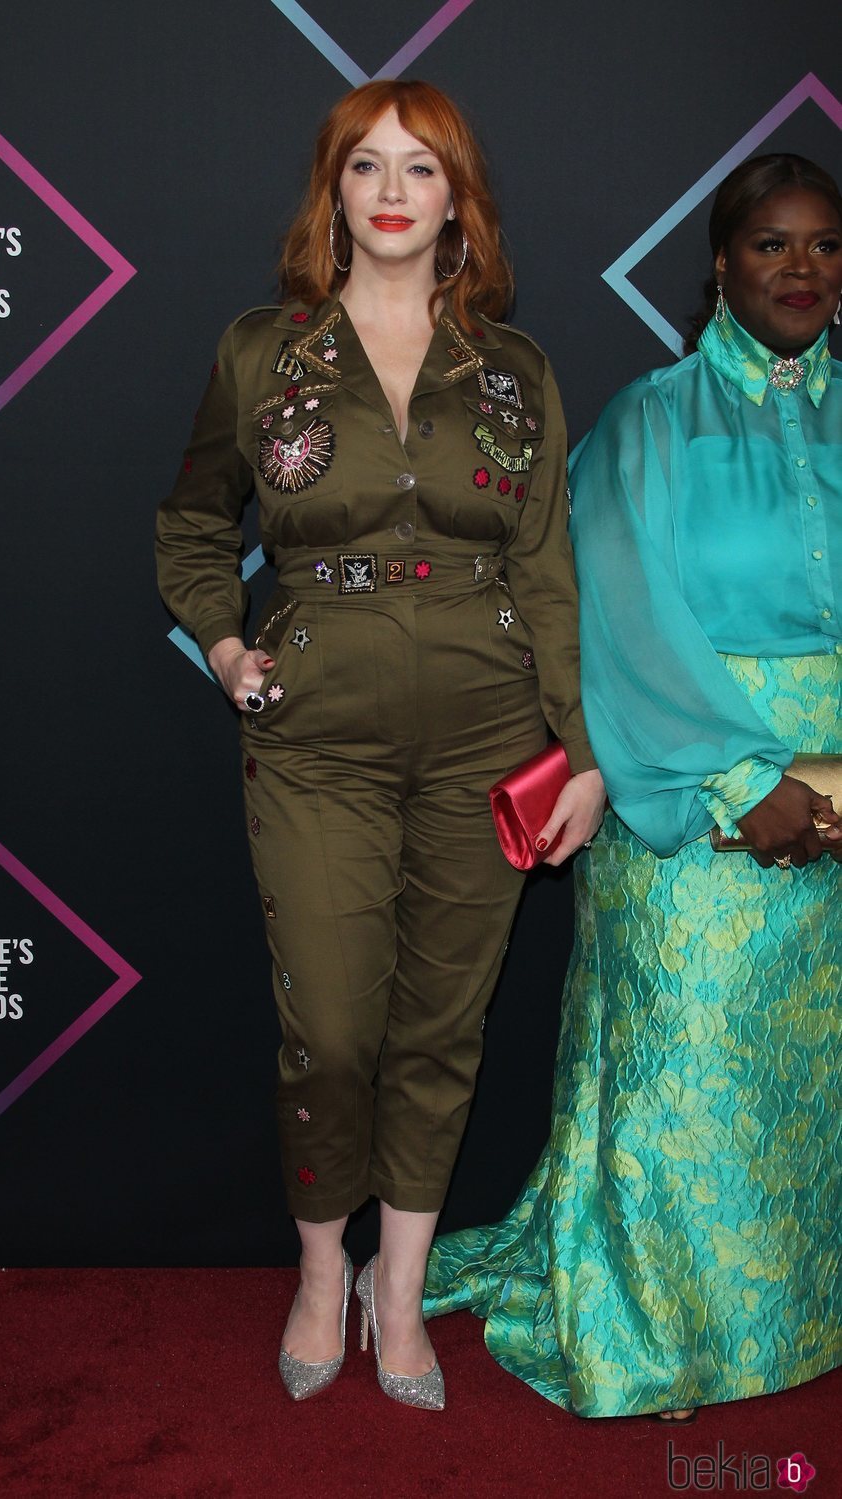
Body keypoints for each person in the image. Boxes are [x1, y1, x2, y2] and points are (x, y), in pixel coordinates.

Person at [156, 78, 605, 1408]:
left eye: (425, 167)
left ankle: (395, 1294)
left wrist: (577, 749)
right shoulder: (261, 352)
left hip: (491, 731)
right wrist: (227, 643)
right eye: (369, 166)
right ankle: (316, 1268)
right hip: (315, 743)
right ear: (334, 192)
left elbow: (549, 570)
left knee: (442, 1023)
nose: (396, 189)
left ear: (459, 201)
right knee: (337, 1028)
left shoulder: (514, 371)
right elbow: (191, 525)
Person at [424, 153, 842, 1420]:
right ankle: (665, 1331)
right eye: (771, 245)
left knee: (809, 1075)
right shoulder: (649, 421)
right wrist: (740, 777)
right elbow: (617, 620)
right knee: (690, 1069)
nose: (800, 268)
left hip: (839, 798)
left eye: (824, 245)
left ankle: (802, 1312)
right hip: (697, 795)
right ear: (717, 263)